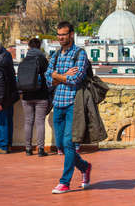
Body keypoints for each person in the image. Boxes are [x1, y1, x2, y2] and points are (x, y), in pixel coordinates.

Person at [45, 21, 92, 194]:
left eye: (63, 34)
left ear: (71, 34)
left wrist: (57, 76)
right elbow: (48, 79)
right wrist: (62, 75)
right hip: (58, 103)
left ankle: (65, 182)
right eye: (58, 35)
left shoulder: (80, 54)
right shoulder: (56, 55)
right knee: (61, 146)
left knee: (69, 143)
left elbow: (77, 78)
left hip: (73, 103)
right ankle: (85, 167)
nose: (60, 38)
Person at [19, 38, 49, 157]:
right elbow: (49, 76)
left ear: (29, 47)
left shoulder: (23, 60)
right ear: (40, 46)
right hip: (41, 94)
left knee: (28, 122)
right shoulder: (42, 60)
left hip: (26, 95)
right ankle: (41, 149)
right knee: (40, 122)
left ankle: (28, 149)